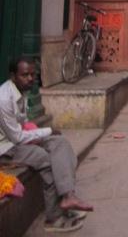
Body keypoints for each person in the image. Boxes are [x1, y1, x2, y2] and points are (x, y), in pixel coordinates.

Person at [0, 57, 93, 232]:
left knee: (60, 144)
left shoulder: (20, 92)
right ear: (13, 76)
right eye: (24, 75)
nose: (30, 79)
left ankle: (68, 195)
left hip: (17, 139)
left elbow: (23, 125)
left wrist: (42, 134)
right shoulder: (4, 99)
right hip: (6, 148)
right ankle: (54, 217)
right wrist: (47, 131)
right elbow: (17, 138)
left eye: (32, 75)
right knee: (44, 158)